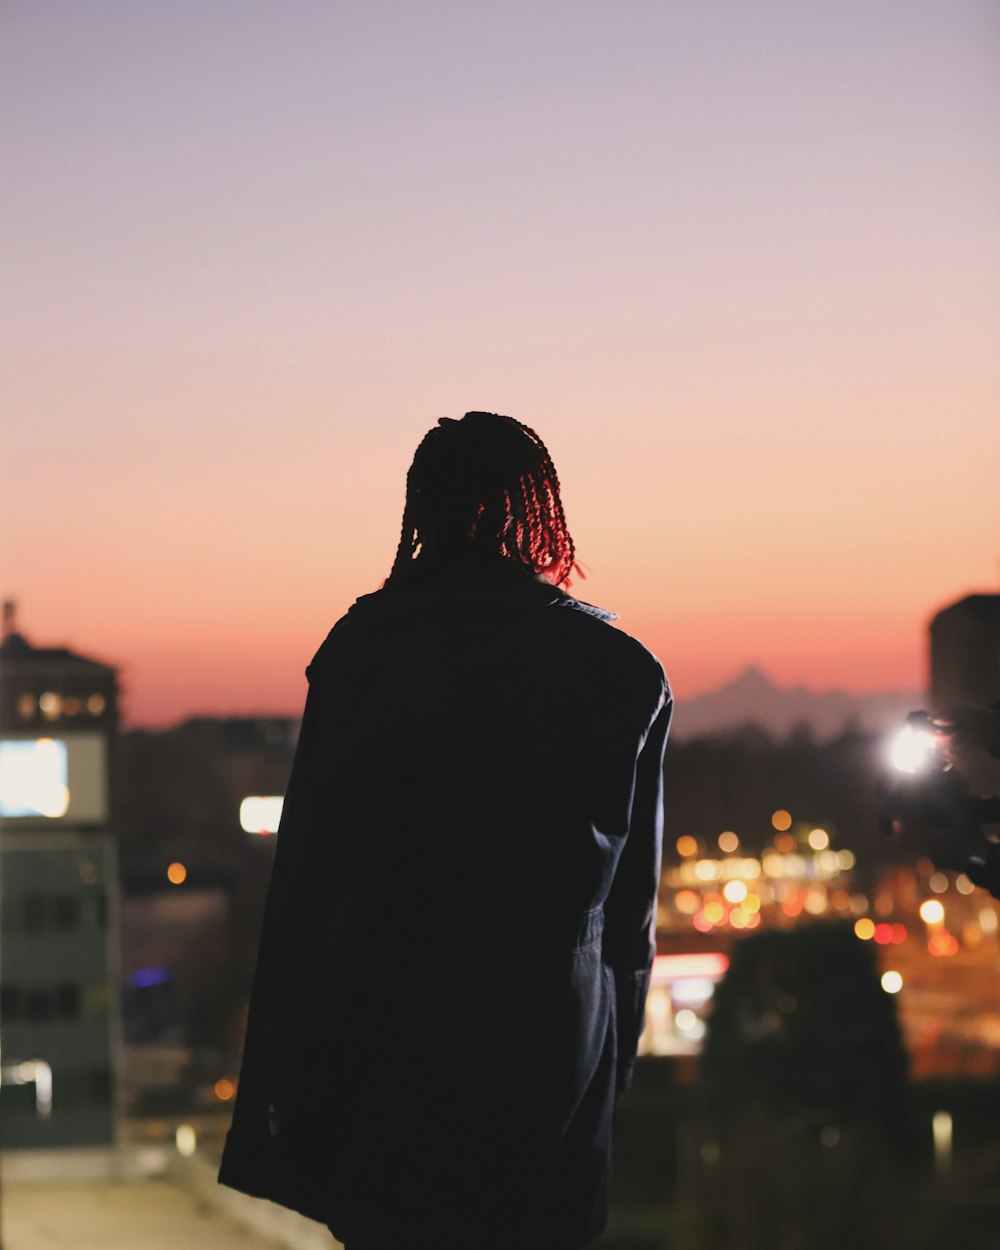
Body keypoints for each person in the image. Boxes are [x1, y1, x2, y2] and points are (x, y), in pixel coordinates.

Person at [218, 412, 672, 1250]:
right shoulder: (622, 670)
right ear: (539, 509)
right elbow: (631, 912)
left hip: (387, 1026)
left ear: (420, 509)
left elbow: (307, 878)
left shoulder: (361, 654)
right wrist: (622, 1051)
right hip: (553, 1035)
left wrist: (287, 1066)